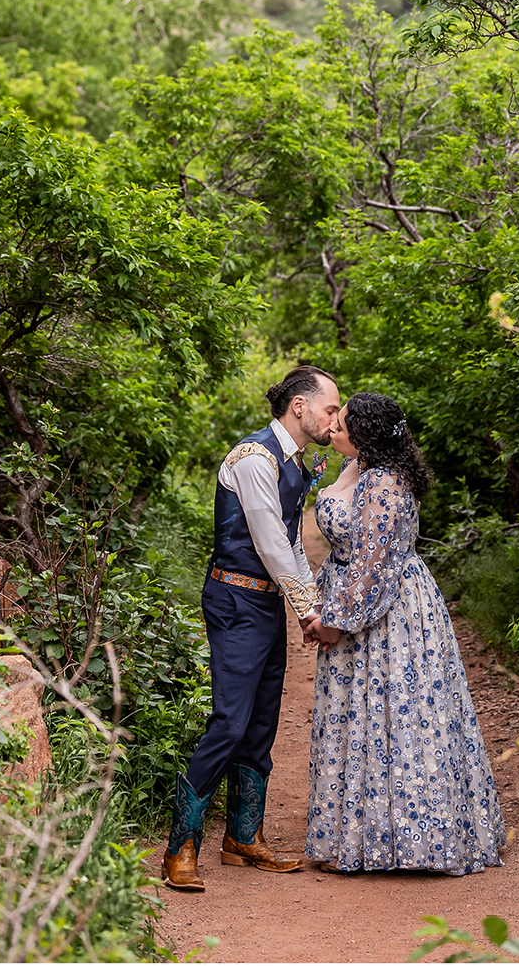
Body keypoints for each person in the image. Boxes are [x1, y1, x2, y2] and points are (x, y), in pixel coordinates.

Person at [304, 393, 506, 875]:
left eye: (345, 422)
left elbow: (377, 566)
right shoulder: (361, 471)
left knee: (401, 716)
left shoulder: (384, 482)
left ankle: (416, 842)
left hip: (390, 616)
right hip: (360, 602)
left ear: (367, 435)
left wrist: (335, 621)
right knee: (366, 720)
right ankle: (362, 834)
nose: (336, 427)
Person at [161, 365, 340, 891]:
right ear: (299, 406)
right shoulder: (254, 457)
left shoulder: (293, 461)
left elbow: (291, 543)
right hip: (235, 598)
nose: (335, 418)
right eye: (331, 408)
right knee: (230, 722)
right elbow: (268, 542)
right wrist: (309, 609)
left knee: (262, 722)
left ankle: (243, 837)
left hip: (263, 603)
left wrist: (310, 603)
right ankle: (180, 847)